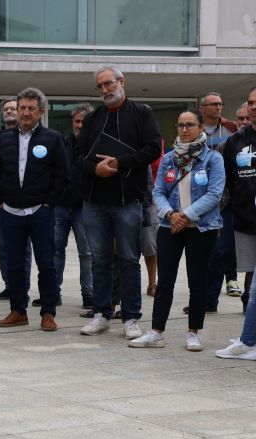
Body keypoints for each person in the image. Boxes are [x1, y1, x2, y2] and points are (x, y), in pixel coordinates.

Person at [78, 66, 162, 339]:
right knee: (99, 259)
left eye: (109, 84)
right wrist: (96, 169)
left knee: (128, 259)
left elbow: (152, 148)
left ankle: (131, 317)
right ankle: (101, 313)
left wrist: (120, 163)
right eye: (100, 86)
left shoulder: (142, 113)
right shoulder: (94, 118)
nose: (105, 90)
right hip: (95, 201)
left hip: (128, 200)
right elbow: (80, 155)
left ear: (122, 82)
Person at [130, 111, 223, 351]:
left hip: (201, 227)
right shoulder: (170, 158)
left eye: (190, 125)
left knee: (197, 280)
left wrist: (187, 215)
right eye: (180, 125)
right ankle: (156, 331)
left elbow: (215, 193)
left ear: (200, 127)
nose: (184, 129)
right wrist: (171, 215)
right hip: (169, 226)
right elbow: (158, 191)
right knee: (165, 281)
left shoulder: (212, 159)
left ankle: (193, 332)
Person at [0, 87, 65, 332]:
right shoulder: (1, 140)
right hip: (10, 212)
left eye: (31, 108)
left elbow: (62, 175)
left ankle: (48, 312)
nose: (26, 113)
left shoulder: (52, 138)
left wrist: (48, 203)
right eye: (22, 108)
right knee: (14, 264)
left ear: (40, 112)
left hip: (40, 212)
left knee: (47, 263)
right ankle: (18, 310)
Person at [216, 89, 256, 360]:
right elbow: (228, 183)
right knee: (251, 280)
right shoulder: (235, 142)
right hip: (245, 223)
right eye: (251, 103)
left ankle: (248, 340)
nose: (253, 107)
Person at [200, 92, 242, 305]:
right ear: (203, 108)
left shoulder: (231, 130)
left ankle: (212, 298)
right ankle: (205, 299)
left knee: (221, 248)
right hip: (200, 197)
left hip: (225, 199)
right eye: (213, 104)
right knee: (204, 252)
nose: (218, 107)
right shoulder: (196, 130)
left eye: (220, 104)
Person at [0, 97, 31, 302]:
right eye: (5, 109)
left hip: (25, 205)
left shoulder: (29, 138)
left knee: (22, 249)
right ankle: (10, 285)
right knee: (4, 248)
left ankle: (22, 286)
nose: (9, 111)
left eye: (13, 108)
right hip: (1, 205)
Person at [57, 103, 95, 313]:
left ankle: (88, 294)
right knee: (56, 250)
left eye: (83, 121)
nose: (80, 125)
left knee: (87, 252)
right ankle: (53, 292)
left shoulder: (96, 145)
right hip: (60, 204)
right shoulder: (63, 142)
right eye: (77, 121)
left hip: (85, 205)